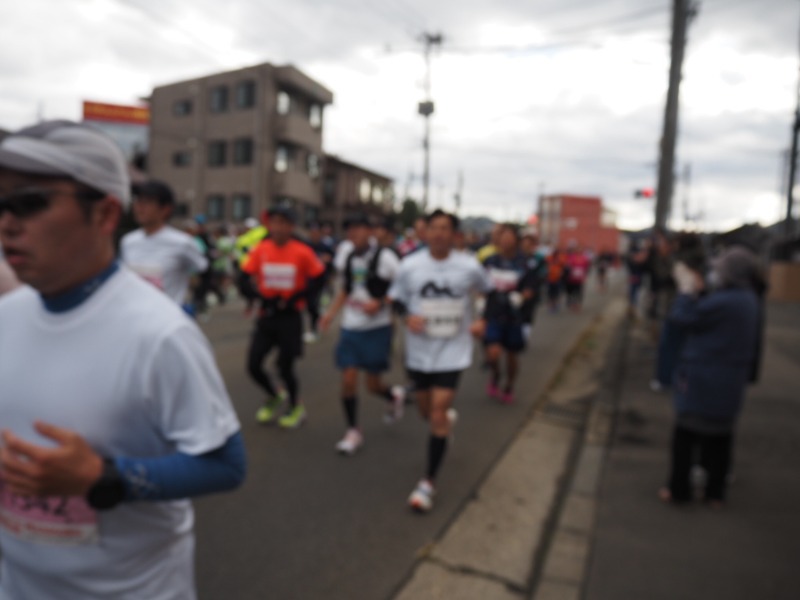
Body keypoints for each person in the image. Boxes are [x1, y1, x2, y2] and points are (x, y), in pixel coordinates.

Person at [0, 120, 245, 599]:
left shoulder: (164, 335)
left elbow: (225, 464)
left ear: (105, 214)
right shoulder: (5, 315)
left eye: (30, 203)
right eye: (2, 204)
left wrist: (102, 476)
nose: (8, 222)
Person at [389, 209, 491, 513]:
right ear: (426, 232)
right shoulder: (410, 265)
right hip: (419, 352)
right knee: (425, 411)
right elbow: (396, 299)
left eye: (446, 228)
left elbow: (490, 293)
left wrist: (482, 321)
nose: (439, 233)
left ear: (455, 234)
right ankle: (444, 423)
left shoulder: (469, 266)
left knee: (436, 413)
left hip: (453, 351)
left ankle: (427, 483)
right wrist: (408, 316)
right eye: (434, 228)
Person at [659, 246, 765, 508]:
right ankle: (714, 493)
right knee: (720, 438)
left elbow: (682, 318)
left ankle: (678, 489)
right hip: (730, 380)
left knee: (686, 435)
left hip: (703, 378)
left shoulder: (726, 300)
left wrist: (685, 292)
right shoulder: (748, 299)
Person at [319, 215, 405, 455]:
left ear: (371, 232)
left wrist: (380, 302)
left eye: (359, 228)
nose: (354, 233)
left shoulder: (386, 257)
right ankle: (353, 430)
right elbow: (346, 288)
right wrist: (330, 314)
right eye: (350, 229)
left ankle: (391, 394)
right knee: (348, 379)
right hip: (351, 326)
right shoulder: (345, 254)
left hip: (377, 328)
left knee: (372, 384)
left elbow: (403, 285)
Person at [242, 205, 325, 429]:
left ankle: (295, 407)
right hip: (267, 315)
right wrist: (256, 296)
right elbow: (244, 275)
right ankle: (274, 394)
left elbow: (319, 278)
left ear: (291, 226)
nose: (278, 227)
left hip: (290, 317)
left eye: (283, 223)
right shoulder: (261, 249)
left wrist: (300, 297)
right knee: (253, 364)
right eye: (274, 222)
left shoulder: (302, 251)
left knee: (285, 367)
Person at [120, 180, 208, 312]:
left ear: (165, 209)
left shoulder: (182, 243)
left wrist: (195, 297)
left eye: (147, 202)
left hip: (168, 319)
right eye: (137, 201)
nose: (139, 207)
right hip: (133, 316)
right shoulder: (128, 241)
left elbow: (203, 269)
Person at [482, 224, 540, 403]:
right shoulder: (490, 261)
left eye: (509, 237)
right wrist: (479, 300)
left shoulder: (526, 263)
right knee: (492, 353)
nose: (505, 240)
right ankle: (495, 375)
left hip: (515, 317)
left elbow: (532, 288)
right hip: (493, 315)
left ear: (516, 240)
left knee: (512, 356)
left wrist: (522, 296)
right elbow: (480, 285)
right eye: (502, 237)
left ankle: (509, 386)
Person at [304, 221, 335, 343]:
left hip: (321, 280)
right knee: (310, 305)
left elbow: (332, 261)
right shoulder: (306, 245)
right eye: (312, 232)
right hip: (308, 280)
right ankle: (318, 318)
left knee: (314, 304)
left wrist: (330, 276)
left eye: (316, 232)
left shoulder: (325, 246)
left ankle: (314, 329)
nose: (314, 234)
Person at [564, 243, 591, 312]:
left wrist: (585, 276)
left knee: (579, 291)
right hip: (571, 277)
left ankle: (577, 304)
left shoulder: (584, 258)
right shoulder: (571, 257)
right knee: (570, 291)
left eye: (580, 249)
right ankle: (570, 300)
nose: (579, 250)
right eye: (578, 249)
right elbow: (568, 266)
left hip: (580, 278)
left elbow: (587, 267)